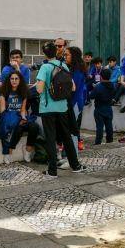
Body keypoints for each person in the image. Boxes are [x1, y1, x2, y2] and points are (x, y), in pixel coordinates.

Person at [36, 42, 86, 177]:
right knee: (67, 137)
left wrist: (40, 86)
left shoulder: (45, 67)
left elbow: (39, 89)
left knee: (51, 139)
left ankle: (52, 171)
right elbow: (73, 87)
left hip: (47, 108)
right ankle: (75, 165)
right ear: (56, 52)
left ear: (44, 53)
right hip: (62, 107)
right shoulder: (63, 65)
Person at [0, 71, 39, 164]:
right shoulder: (4, 93)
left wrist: (23, 118)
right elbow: (2, 112)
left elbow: (23, 110)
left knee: (34, 127)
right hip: (8, 117)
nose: (14, 81)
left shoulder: (23, 92)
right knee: (17, 127)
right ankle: (9, 151)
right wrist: (16, 120)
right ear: (9, 80)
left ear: (20, 80)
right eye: (12, 79)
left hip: (19, 116)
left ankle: (28, 150)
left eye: (16, 79)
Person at [65, 46, 86, 151]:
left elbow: (73, 88)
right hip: (73, 102)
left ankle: (73, 153)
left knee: (73, 128)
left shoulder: (77, 70)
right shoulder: (72, 68)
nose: (65, 57)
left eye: (67, 54)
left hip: (75, 102)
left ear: (73, 56)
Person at [89, 68, 115, 145]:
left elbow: (91, 96)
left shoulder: (98, 87)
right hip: (109, 108)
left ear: (101, 76)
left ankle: (98, 142)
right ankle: (110, 140)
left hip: (99, 108)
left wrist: (94, 88)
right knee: (109, 126)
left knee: (99, 127)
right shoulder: (112, 86)